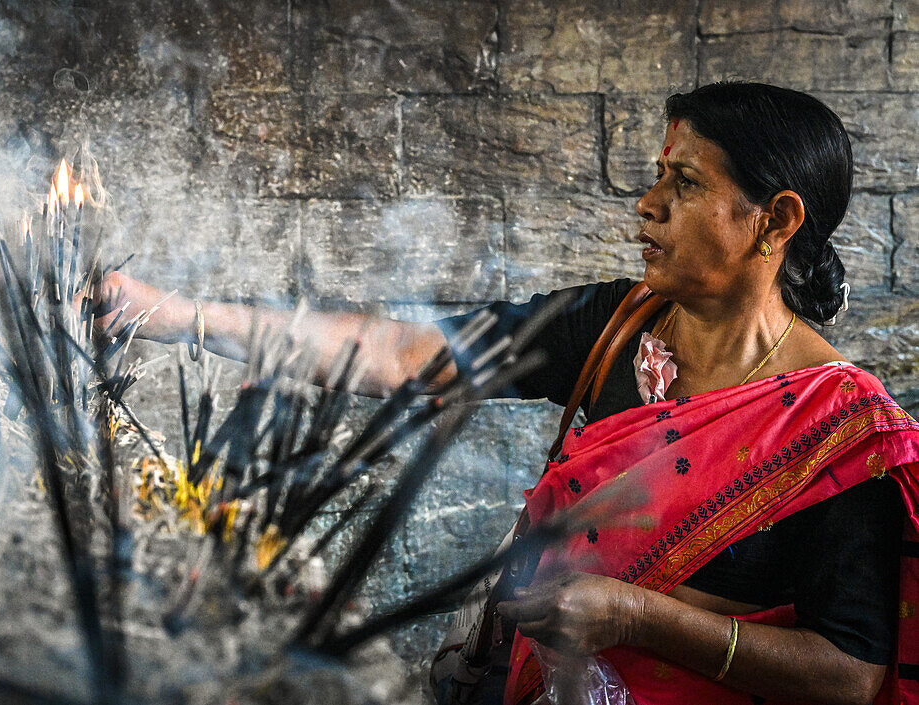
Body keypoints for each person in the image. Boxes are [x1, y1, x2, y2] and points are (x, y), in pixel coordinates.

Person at [86, 82, 919, 704]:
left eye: (687, 184)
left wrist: (638, 616)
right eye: (659, 175)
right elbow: (400, 353)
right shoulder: (616, 323)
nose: (648, 205)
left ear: (774, 221)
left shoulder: (838, 433)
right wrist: (168, 312)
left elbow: (850, 670)